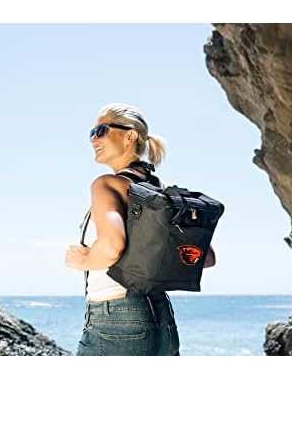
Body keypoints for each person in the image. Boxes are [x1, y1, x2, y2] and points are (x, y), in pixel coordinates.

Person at [65, 103, 216, 356]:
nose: (93, 139)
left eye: (101, 130)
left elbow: (111, 248)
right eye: (91, 133)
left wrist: (83, 260)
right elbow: (205, 257)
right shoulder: (163, 190)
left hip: (116, 316)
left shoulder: (107, 185)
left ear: (130, 136)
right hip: (161, 316)